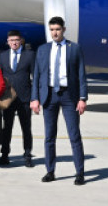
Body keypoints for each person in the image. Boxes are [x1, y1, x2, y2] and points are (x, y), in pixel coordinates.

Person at [31, 16, 88, 185]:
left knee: (74, 135)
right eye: (52, 30)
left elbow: (81, 75)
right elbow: (37, 76)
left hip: (69, 96)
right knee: (49, 136)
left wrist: (82, 98)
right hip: (49, 96)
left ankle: (80, 172)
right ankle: (50, 171)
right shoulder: (42, 49)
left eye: (57, 29)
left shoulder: (74, 48)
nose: (54, 33)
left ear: (63, 29)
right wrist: (35, 98)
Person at [0, 29, 35, 167]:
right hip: (8, 99)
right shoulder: (2, 56)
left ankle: (27, 154)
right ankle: (4, 155)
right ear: (7, 42)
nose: (14, 43)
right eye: (11, 40)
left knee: (26, 128)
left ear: (21, 41)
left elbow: (35, 77)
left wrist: (35, 97)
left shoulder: (29, 55)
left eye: (16, 40)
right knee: (7, 128)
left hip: (25, 98)